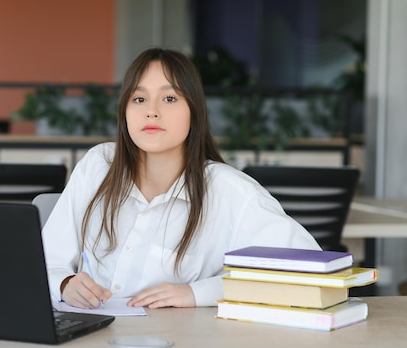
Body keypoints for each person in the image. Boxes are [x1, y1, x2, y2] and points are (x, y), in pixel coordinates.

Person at [41, 47, 320, 309]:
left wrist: (198, 293)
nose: (151, 110)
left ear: (194, 111)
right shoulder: (98, 166)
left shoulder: (230, 192)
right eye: (139, 99)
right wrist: (65, 284)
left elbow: (310, 269)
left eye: (170, 98)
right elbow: (44, 259)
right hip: (89, 344)